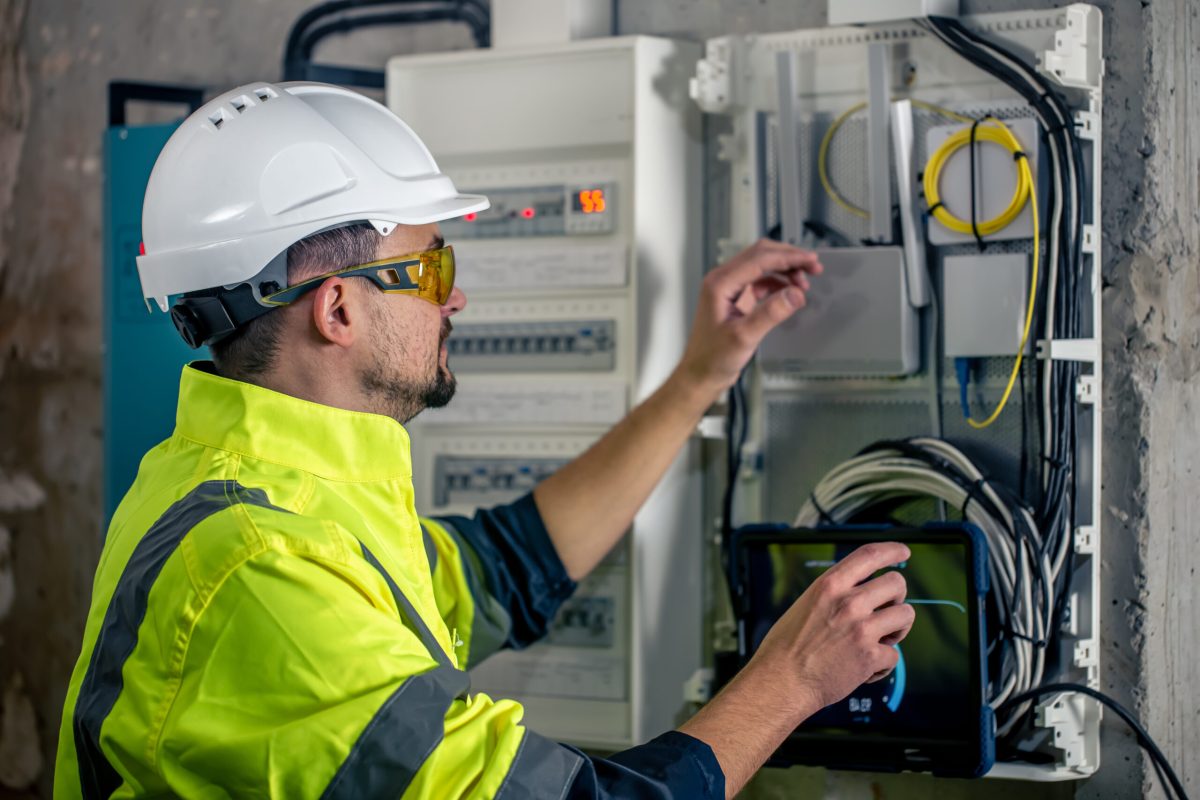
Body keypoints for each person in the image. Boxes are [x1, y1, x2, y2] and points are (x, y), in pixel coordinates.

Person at [56, 82, 914, 799]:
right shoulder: (260, 568)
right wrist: (794, 676)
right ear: (339, 308)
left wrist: (699, 376)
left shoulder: (270, 491)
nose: (454, 301)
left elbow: (507, 569)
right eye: (435, 269)